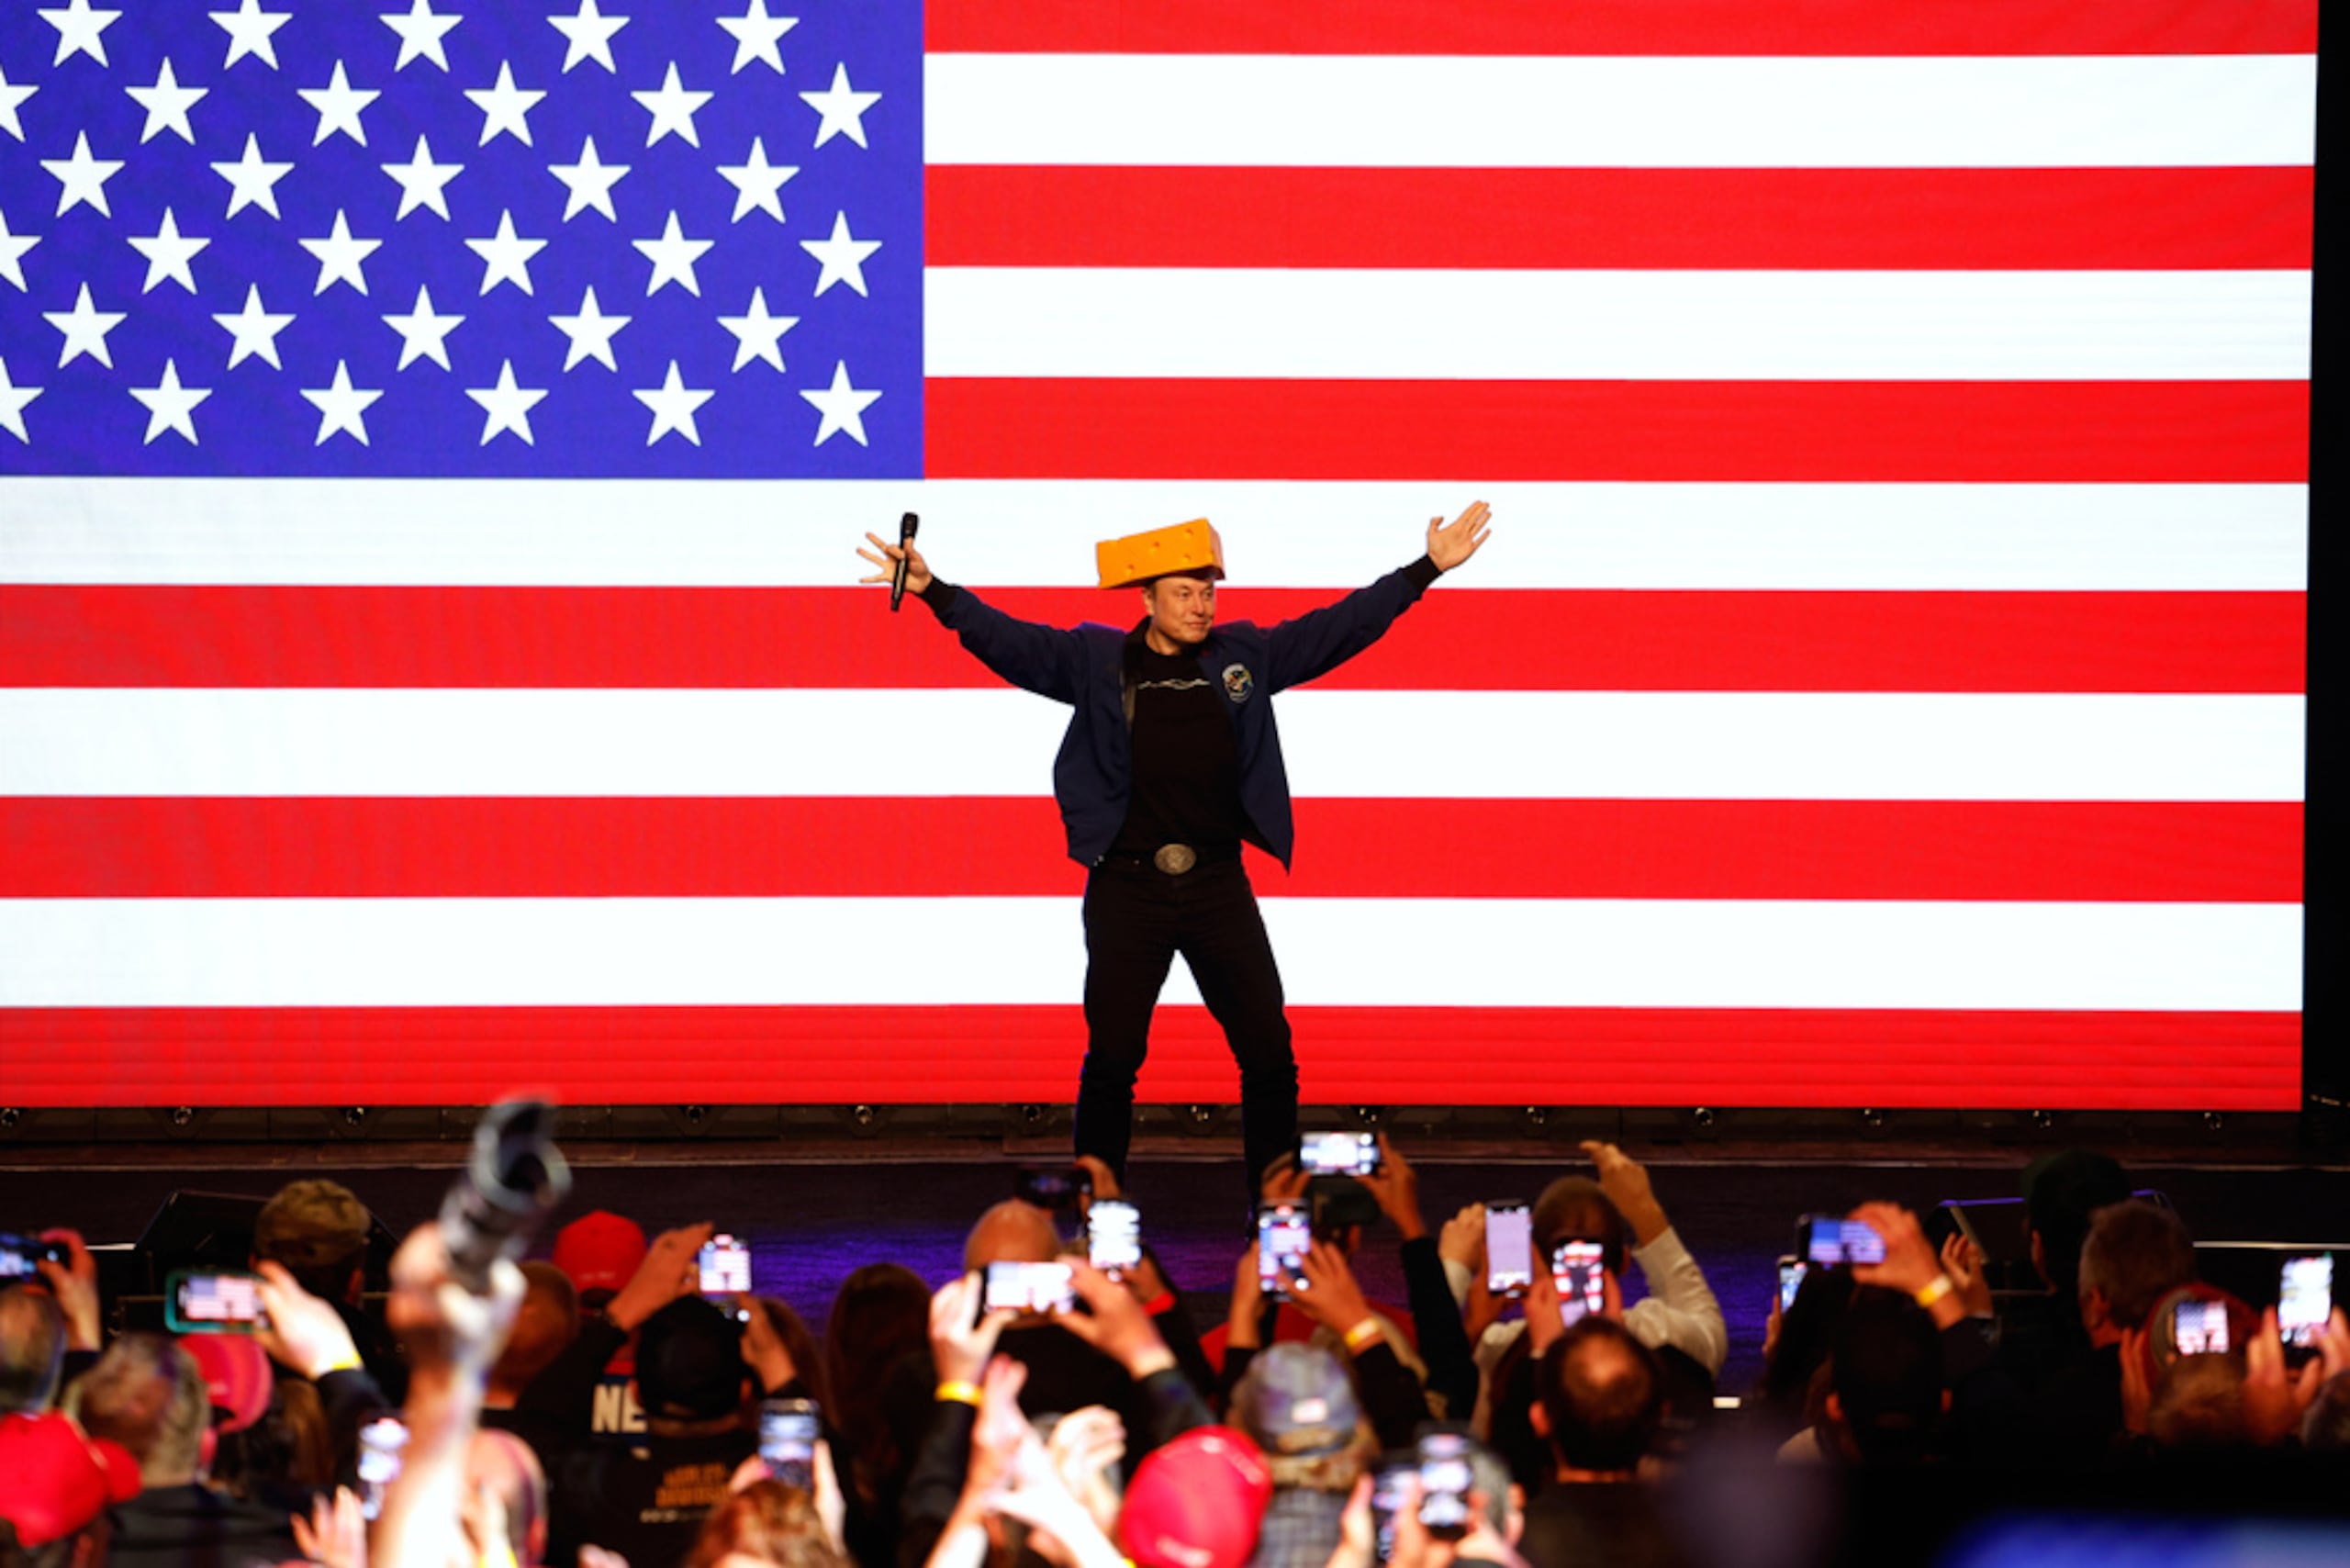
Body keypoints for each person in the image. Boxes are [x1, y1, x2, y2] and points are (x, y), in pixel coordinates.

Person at [859, 504, 1494, 1195]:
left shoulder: (1243, 657)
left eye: (1209, 592)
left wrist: (1425, 569)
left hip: (1218, 886)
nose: (1201, 606)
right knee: (1112, 1061)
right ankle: (1100, 1214)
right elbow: (1012, 643)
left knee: (1269, 1055)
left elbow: (1337, 629)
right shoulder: (1097, 661)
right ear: (1148, 598)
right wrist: (935, 592)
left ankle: (1274, 1208)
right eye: (1186, 593)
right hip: (1127, 891)